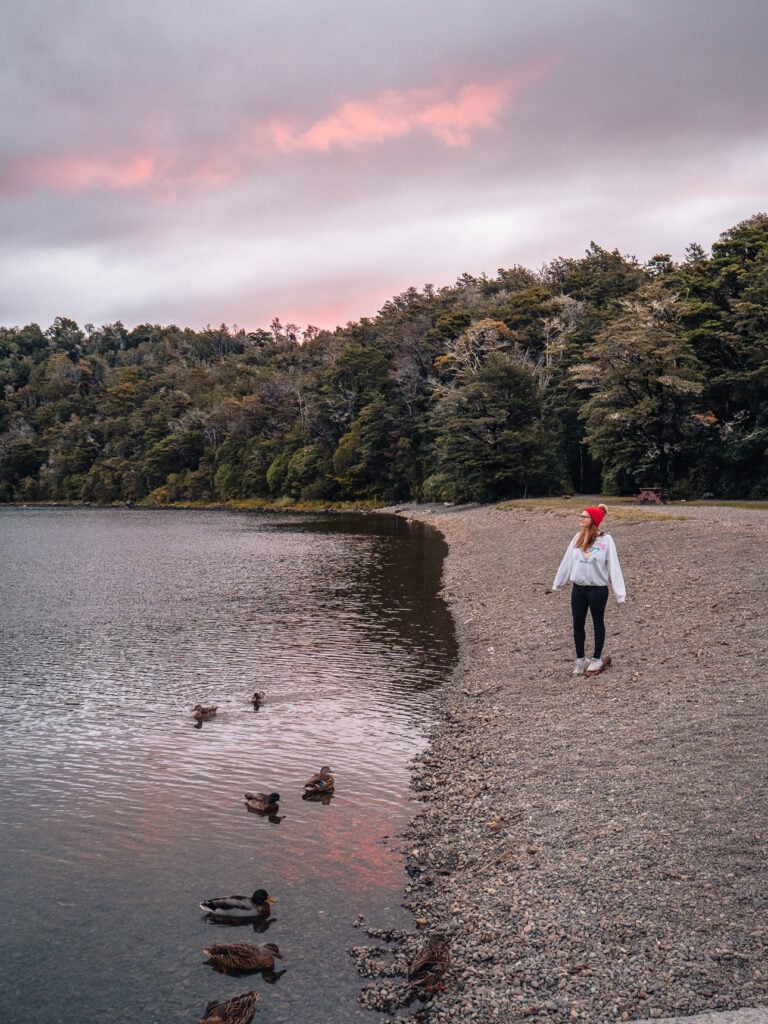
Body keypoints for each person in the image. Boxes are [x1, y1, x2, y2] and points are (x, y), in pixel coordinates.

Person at [552, 503, 626, 676]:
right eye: (581, 515)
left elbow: (614, 566)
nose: (580, 518)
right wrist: (558, 583)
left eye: (584, 516)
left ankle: (596, 658)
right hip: (578, 589)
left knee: (597, 622)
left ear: (593, 520)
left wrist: (620, 593)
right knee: (577, 623)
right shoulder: (578, 538)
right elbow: (567, 561)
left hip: (597, 590)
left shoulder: (606, 540)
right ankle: (580, 660)